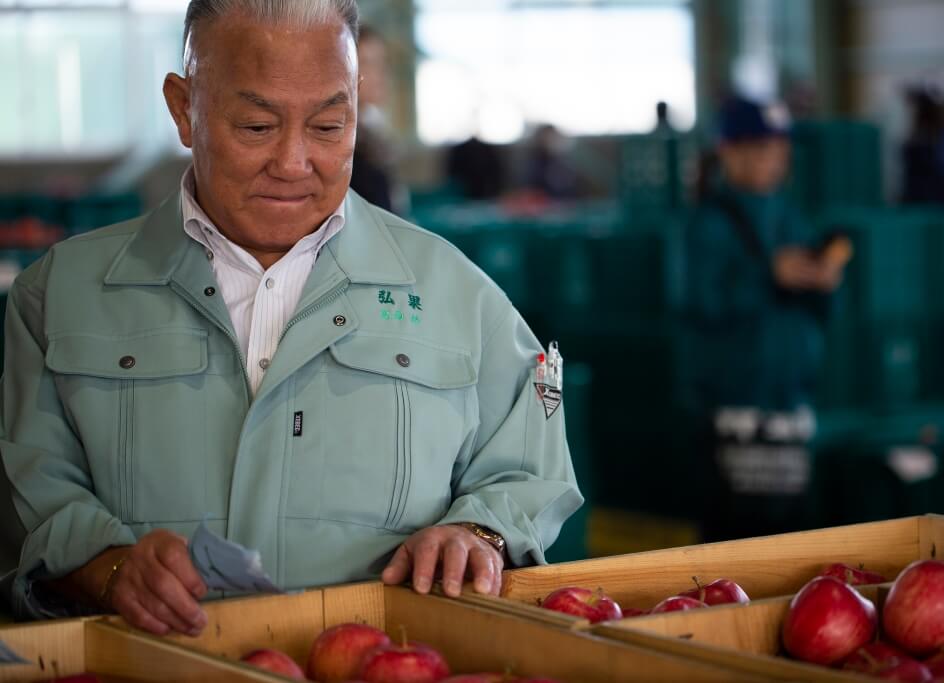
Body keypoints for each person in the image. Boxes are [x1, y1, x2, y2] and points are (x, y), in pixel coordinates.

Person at [0, 0, 581, 635]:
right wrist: (106, 568)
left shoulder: (460, 297)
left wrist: (478, 532)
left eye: (329, 127)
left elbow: (528, 470)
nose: (293, 162)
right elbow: (30, 493)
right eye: (255, 126)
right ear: (182, 108)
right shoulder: (57, 297)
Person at [686, 95, 849, 541]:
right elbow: (700, 302)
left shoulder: (792, 217)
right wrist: (767, 275)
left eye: (779, 150)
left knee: (789, 538)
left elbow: (825, 311)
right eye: (759, 149)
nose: (772, 161)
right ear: (728, 151)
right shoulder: (709, 223)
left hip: (791, 408)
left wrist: (824, 281)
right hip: (732, 415)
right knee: (733, 541)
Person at [348, 25, 402, 213]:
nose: (380, 74)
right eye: (367, 62)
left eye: (382, 63)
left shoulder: (375, 130)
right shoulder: (344, 140)